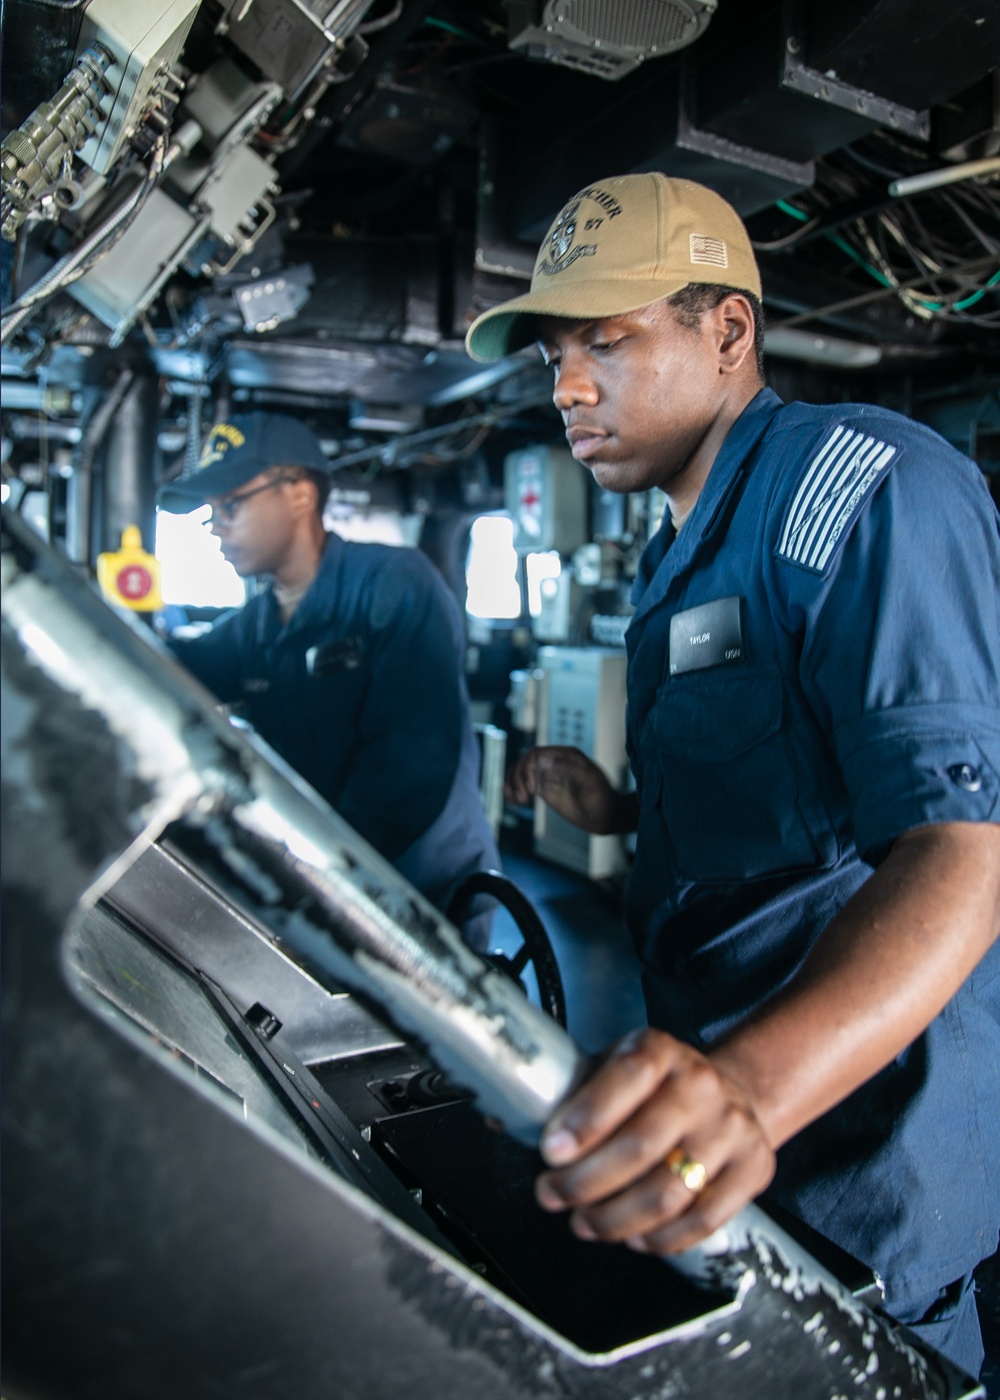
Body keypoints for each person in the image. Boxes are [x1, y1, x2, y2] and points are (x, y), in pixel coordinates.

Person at [466, 172, 1000, 1373]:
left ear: (727, 331)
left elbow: (962, 848)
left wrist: (746, 1095)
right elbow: (788, 803)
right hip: (731, 1139)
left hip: (863, 1161)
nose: (566, 385)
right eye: (555, 353)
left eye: (608, 340)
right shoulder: (677, 555)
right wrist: (618, 813)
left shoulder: (859, 487)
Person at [158, 410, 501, 948]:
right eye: (211, 514)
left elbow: (410, 766)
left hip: (419, 893)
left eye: (229, 506)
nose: (217, 527)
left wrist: (304, 869)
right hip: (320, 888)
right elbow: (173, 672)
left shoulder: (393, 584)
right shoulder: (255, 627)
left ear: (299, 494)